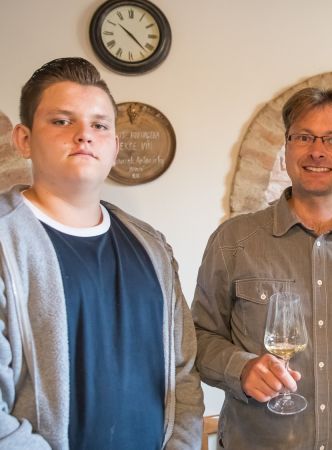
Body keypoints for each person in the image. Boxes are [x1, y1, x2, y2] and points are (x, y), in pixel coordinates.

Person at [192, 87, 332, 450]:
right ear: (286, 147)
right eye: (304, 137)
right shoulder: (233, 241)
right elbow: (197, 338)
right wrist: (241, 367)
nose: (317, 150)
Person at [0, 57, 204, 449]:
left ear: (115, 147)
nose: (83, 135)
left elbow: (183, 373)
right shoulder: (6, 244)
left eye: (99, 125)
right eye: (62, 121)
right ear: (24, 139)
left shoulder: (152, 246)